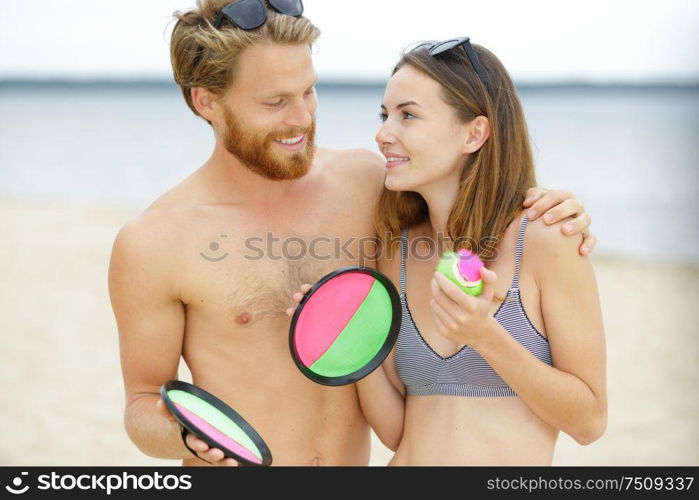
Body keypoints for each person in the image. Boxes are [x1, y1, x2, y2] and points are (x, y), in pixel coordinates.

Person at [109, 0, 596, 467]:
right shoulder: (155, 242)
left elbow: (461, 196)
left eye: (308, 91)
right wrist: (186, 434)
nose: (301, 118)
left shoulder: (366, 184)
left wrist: (547, 205)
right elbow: (142, 403)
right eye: (275, 102)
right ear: (207, 102)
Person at [347, 37, 606, 465]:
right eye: (384, 114)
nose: (383, 134)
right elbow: (399, 433)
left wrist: (485, 336)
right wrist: (353, 345)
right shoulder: (395, 253)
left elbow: (590, 422)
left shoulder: (546, 238)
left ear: (475, 132)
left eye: (407, 115)